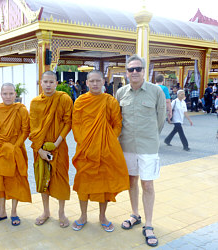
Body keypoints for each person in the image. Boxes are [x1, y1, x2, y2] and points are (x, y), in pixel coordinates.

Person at [115, 54, 166, 247]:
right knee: (131, 181)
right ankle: (135, 214)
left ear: (145, 71)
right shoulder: (121, 93)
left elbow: (161, 119)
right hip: (127, 145)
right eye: (131, 69)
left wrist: (151, 137)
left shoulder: (156, 91)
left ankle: (149, 224)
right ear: (126, 73)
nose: (134, 72)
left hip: (148, 147)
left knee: (148, 185)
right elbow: (118, 119)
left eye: (138, 69)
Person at [71, 70, 129, 231]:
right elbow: (76, 124)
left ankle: (102, 216)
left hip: (105, 151)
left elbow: (117, 123)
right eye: (92, 81)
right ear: (87, 83)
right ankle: (83, 215)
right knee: (83, 184)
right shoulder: (80, 101)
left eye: (98, 81)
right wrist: (83, 142)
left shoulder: (110, 101)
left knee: (104, 185)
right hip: (85, 150)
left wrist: (108, 139)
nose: (95, 84)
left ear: (103, 82)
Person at [29, 70, 73, 228]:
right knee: (42, 179)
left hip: (59, 146)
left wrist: (56, 143)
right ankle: (46, 211)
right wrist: (39, 150)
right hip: (40, 148)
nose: (48, 85)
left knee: (61, 179)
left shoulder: (64, 99)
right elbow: (32, 128)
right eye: (45, 82)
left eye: (51, 82)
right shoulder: (35, 102)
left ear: (56, 83)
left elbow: (68, 122)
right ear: (40, 83)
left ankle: (61, 212)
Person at [0, 83, 31, 226]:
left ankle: (13, 212)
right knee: (0, 180)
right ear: (1, 94)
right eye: (5, 94)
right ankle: (1, 212)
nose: (8, 96)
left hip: (16, 149)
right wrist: (6, 146)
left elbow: (25, 131)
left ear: (15, 94)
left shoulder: (21, 109)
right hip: (0, 150)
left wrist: (14, 147)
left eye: (11, 93)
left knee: (15, 181)